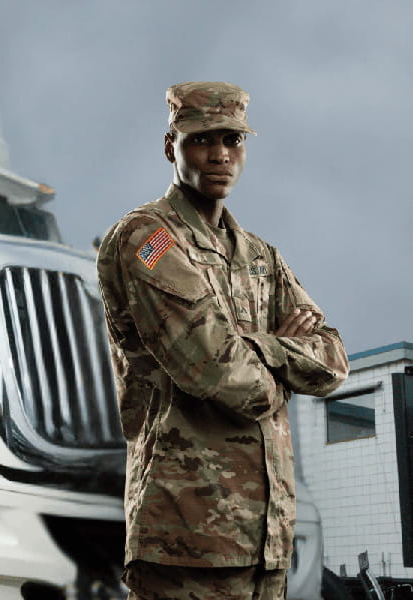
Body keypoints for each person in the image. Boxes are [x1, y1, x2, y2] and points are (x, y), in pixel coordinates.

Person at [96, 81, 349, 599]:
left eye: (233, 139)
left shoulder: (259, 255)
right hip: (186, 537)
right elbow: (224, 376)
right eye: (201, 139)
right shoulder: (150, 240)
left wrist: (257, 346)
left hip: (266, 539)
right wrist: (278, 351)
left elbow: (333, 360)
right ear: (171, 146)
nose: (219, 155)